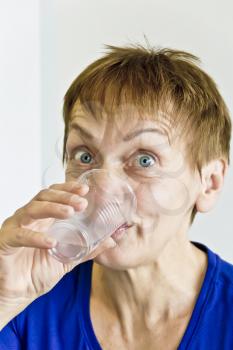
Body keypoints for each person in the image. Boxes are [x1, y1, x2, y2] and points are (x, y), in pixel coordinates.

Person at [0, 42, 232, 350]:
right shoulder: (26, 305)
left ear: (210, 183)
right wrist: (5, 298)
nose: (102, 188)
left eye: (144, 159)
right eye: (84, 156)